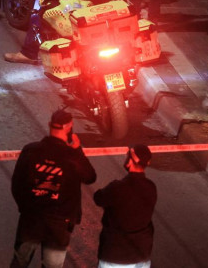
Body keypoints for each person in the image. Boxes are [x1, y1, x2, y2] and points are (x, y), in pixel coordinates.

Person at [10, 109, 97, 268]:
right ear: (69, 127)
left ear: (50, 125)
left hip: (31, 219)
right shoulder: (72, 157)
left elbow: (17, 184)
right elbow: (90, 177)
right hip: (59, 225)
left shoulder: (31, 150)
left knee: (19, 263)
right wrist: (78, 150)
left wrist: (26, 208)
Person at [93, 145, 157, 268]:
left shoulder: (117, 188)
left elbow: (98, 198)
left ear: (131, 161)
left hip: (115, 256)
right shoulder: (151, 187)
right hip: (141, 255)